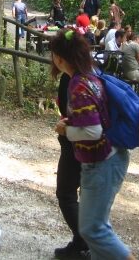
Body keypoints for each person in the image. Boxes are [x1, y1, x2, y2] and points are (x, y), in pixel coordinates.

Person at [50, 29, 133, 260]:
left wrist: (65, 130)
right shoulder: (90, 75)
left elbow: (93, 131)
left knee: (94, 230)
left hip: (103, 160)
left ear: (59, 58)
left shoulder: (78, 85)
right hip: (103, 159)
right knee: (94, 228)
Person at [53, 72, 90, 259]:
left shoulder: (72, 78)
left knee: (66, 194)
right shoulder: (93, 72)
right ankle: (84, 241)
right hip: (96, 148)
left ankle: (83, 242)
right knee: (87, 196)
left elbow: (74, 115)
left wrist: (65, 129)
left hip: (76, 144)